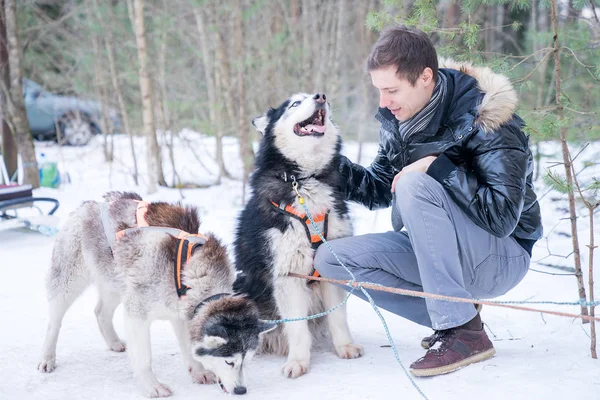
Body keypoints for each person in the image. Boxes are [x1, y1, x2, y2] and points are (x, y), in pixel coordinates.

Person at [314, 25, 543, 377]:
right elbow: (379, 188)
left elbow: (502, 217)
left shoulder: (487, 119)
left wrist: (440, 168)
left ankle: (461, 331)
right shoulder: (401, 118)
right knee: (332, 260)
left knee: (416, 183)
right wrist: (324, 161)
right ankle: (461, 318)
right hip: (438, 252)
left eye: (391, 90)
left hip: (502, 254)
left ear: (425, 77)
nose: (384, 103)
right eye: (378, 91)